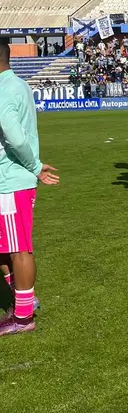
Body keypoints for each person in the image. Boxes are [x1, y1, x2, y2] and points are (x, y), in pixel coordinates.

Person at [0, 39, 59, 336]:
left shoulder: (3, 90)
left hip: (9, 182)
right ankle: (22, 299)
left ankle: (23, 317)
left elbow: (14, 137)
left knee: (19, 249)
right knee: (5, 249)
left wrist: (35, 167)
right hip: (9, 181)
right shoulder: (18, 85)